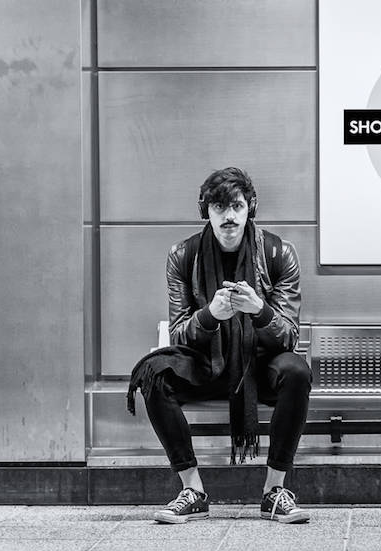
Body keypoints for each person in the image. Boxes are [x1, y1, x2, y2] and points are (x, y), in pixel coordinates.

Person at [127, 167, 311, 524]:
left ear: (249, 208)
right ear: (206, 211)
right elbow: (179, 335)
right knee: (154, 373)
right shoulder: (184, 255)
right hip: (208, 363)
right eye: (219, 207)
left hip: (259, 365)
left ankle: (274, 491)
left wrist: (260, 311)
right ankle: (192, 490)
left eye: (237, 206)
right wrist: (210, 315)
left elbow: (289, 336)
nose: (229, 216)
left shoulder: (278, 253)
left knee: (297, 371)